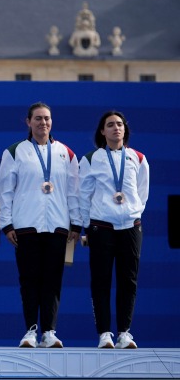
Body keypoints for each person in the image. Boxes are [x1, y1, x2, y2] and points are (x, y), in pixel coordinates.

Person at [0, 102, 81, 349]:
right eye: (37, 119)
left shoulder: (66, 153)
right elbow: (5, 192)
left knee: (53, 281)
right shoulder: (14, 152)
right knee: (29, 280)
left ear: (51, 122)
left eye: (46, 119)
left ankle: (49, 332)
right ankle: (30, 331)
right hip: (26, 226)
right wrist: (7, 224)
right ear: (28, 122)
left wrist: (75, 223)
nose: (42, 123)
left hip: (57, 226)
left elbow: (74, 192)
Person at [79, 111, 150, 349]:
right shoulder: (91, 159)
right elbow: (84, 195)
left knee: (128, 281)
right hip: (101, 226)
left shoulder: (138, 158)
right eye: (110, 125)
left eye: (119, 124)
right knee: (101, 281)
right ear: (102, 131)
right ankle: (104, 334)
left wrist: (133, 212)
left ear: (125, 129)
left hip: (130, 226)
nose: (116, 128)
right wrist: (87, 226)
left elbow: (142, 192)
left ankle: (124, 333)